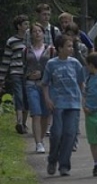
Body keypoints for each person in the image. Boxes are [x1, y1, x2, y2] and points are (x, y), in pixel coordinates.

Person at [43, 36, 86, 176]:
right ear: (60, 48)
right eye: (68, 46)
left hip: (73, 103)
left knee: (69, 134)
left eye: (71, 46)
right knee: (56, 133)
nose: (71, 49)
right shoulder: (51, 64)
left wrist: (85, 99)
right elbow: (45, 84)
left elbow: (81, 82)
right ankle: (52, 159)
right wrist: (48, 99)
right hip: (58, 104)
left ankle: (64, 165)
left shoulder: (75, 64)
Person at [24, 23, 54, 153]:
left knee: (45, 114)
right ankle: (38, 143)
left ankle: (41, 138)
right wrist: (28, 75)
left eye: (39, 31)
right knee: (36, 113)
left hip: (46, 85)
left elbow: (53, 68)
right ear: (31, 34)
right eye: (34, 31)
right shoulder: (25, 50)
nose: (37, 33)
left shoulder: (51, 50)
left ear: (43, 33)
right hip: (31, 84)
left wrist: (42, 74)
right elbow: (22, 67)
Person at [0, 14, 30, 134]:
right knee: (19, 96)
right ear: (19, 26)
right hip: (15, 71)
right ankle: (19, 122)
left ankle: (24, 122)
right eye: (25, 24)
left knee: (27, 97)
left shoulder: (30, 40)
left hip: (27, 73)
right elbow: (6, 60)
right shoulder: (11, 41)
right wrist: (1, 78)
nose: (28, 26)